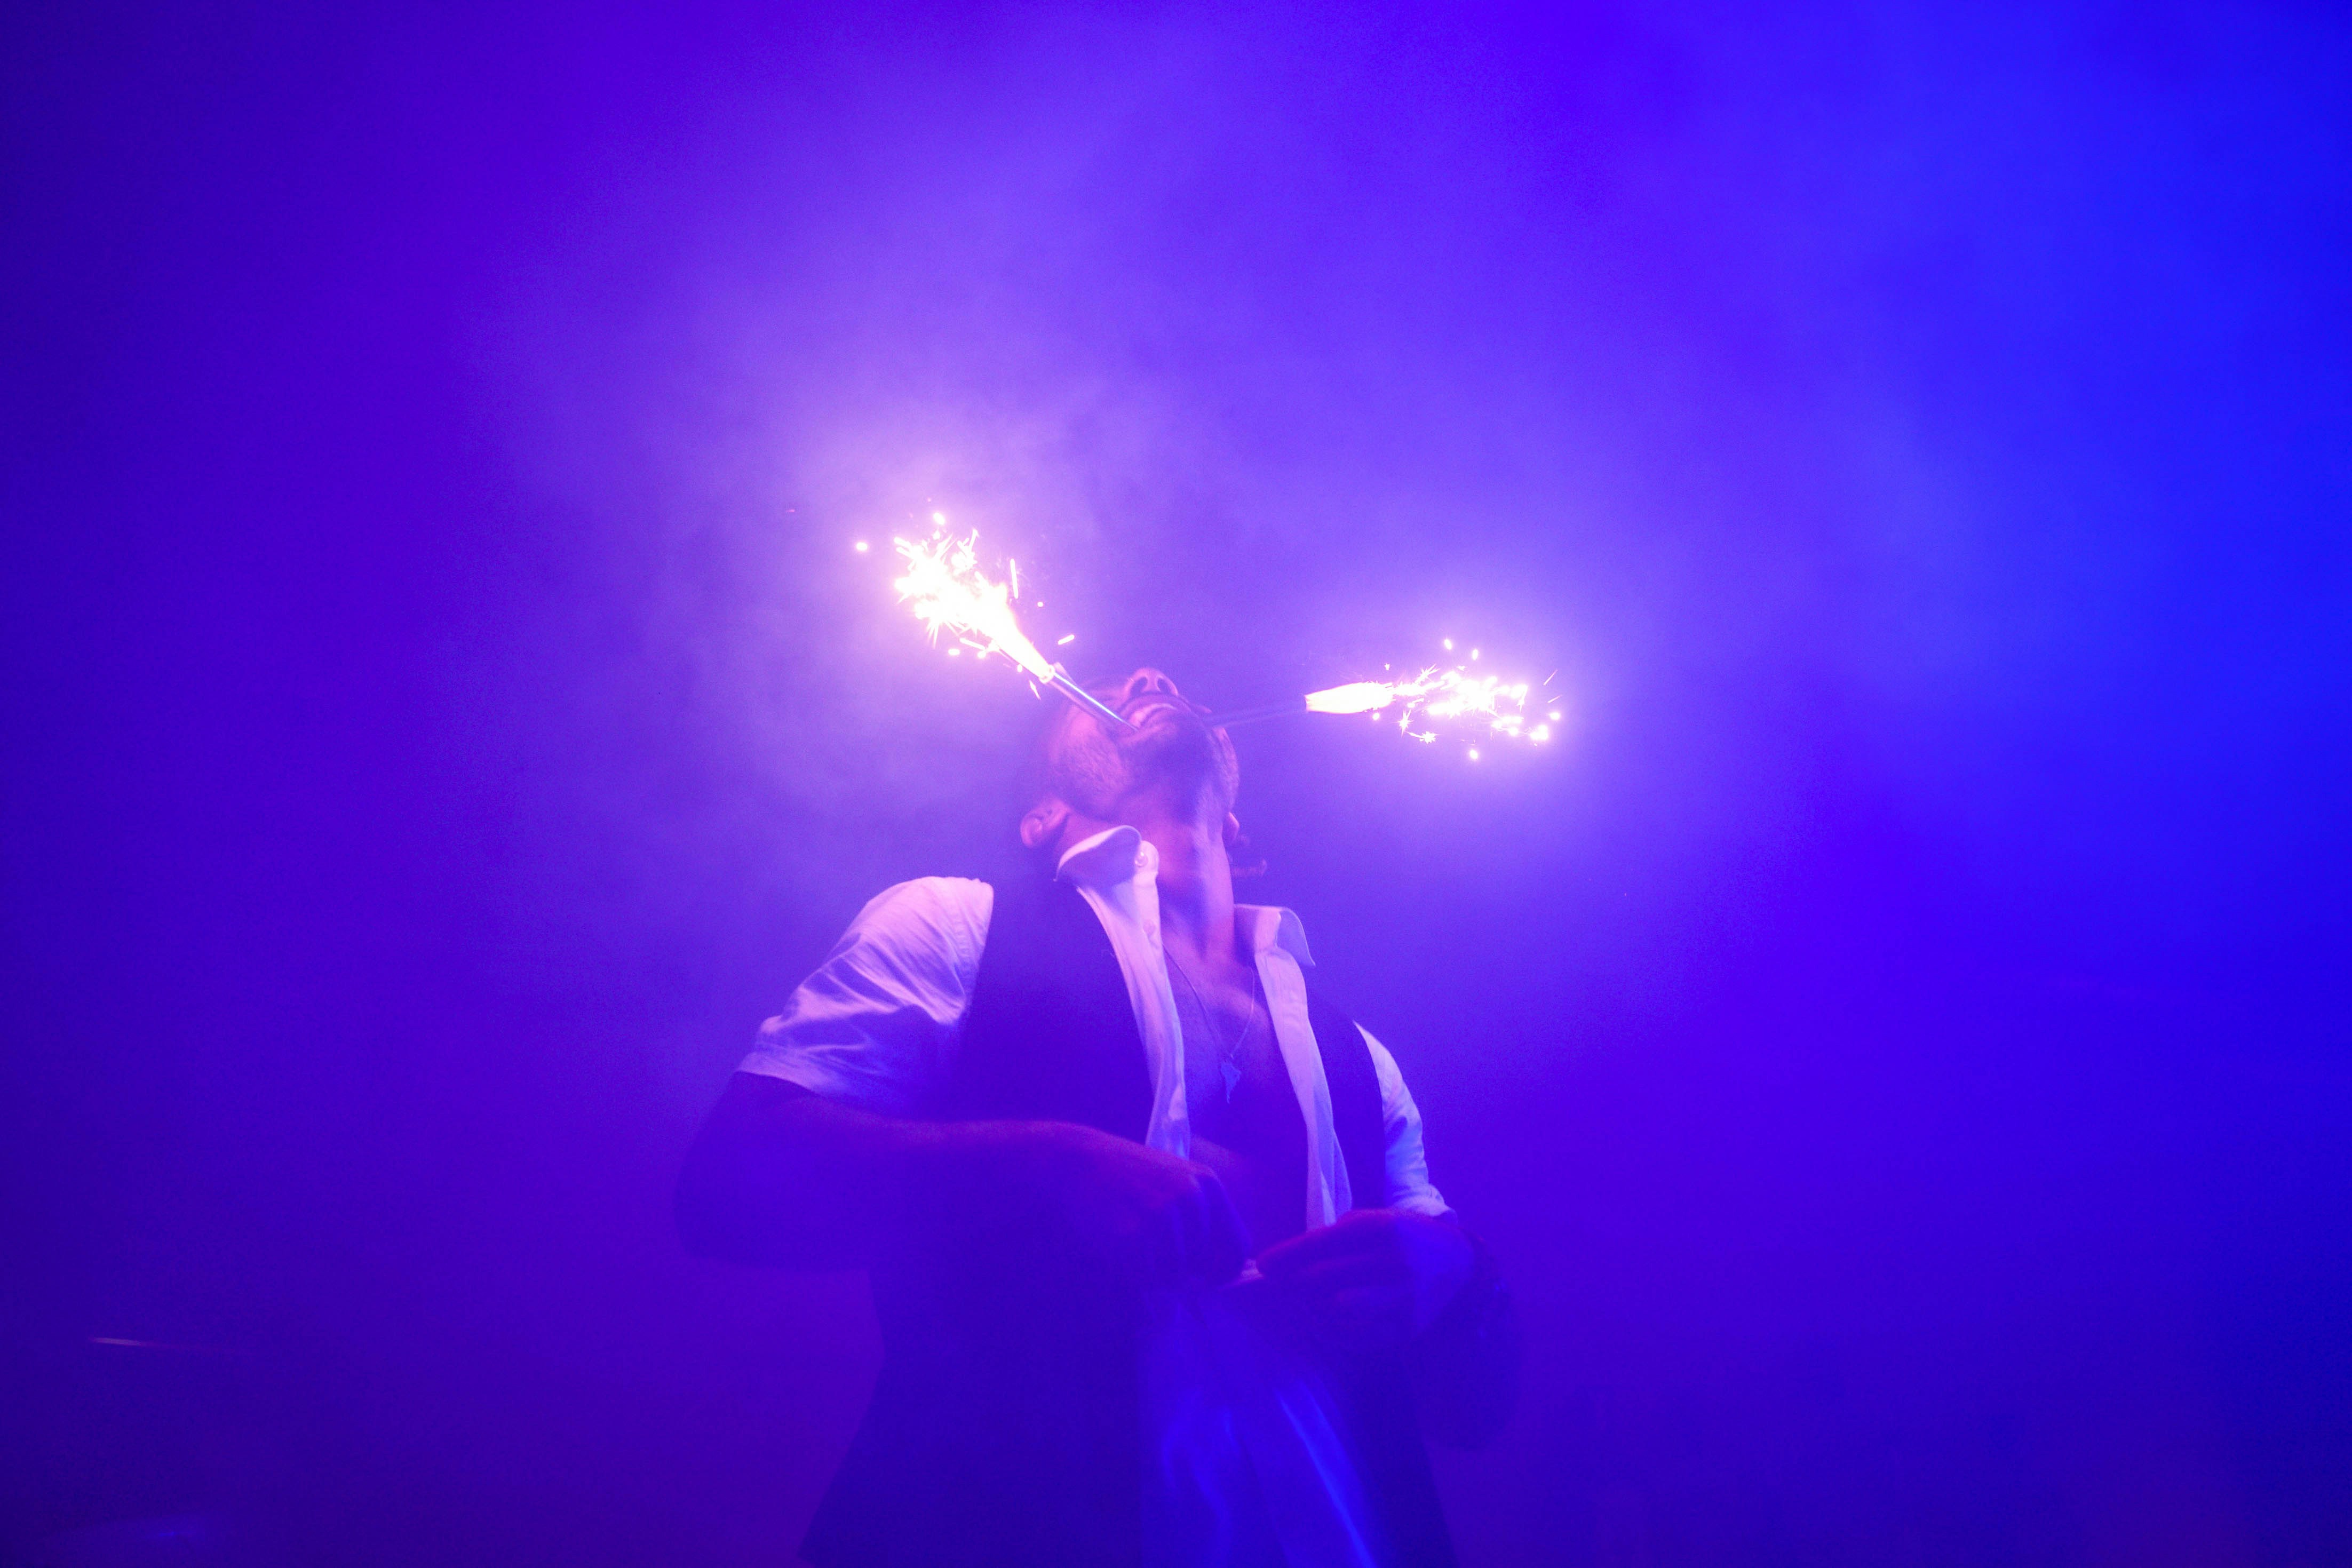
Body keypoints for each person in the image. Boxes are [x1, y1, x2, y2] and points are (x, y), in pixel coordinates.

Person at [676, 666, 1519, 1567]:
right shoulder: (953, 926)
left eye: (1176, 682)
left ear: (1236, 822)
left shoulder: (1363, 1059)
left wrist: (1460, 1278)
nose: (1154, 677)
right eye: (1112, 685)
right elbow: (729, 1183)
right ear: (1043, 817)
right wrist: (1044, 1162)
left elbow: (1473, 1411)